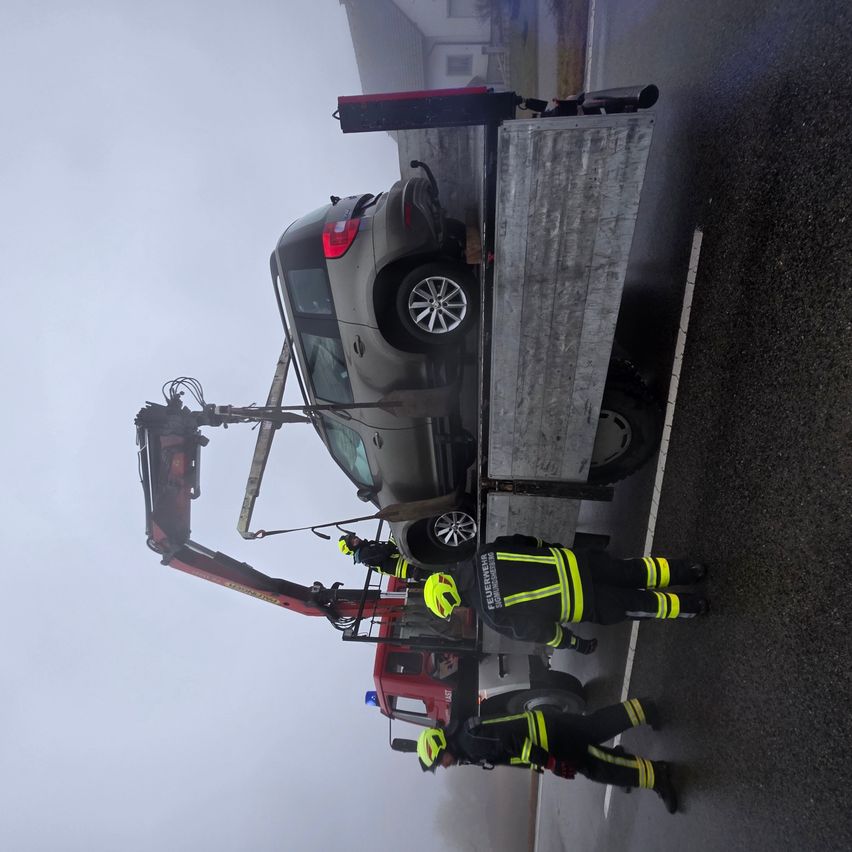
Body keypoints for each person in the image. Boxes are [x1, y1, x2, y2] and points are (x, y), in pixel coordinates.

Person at [422, 533, 708, 650]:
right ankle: (689, 570)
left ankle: (692, 605)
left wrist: (576, 644)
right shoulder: (485, 552)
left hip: (585, 602)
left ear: (453, 602)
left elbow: (539, 631)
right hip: (580, 562)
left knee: (640, 603)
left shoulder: (491, 614)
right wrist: (556, 550)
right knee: (634, 570)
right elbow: (528, 541)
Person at [416, 698, 679, 813]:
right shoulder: (466, 739)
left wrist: (551, 762)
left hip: (551, 741)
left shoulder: (470, 743)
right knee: (595, 728)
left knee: (597, 766)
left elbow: (513, 742)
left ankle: (657, 776)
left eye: (441, 761)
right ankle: (644, 709)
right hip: (548, 730)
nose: (446, 766)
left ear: (441, 747)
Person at [338, 532, 428, 582]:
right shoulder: (364, 555)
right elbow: (385, 551)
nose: (355, 539)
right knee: (435, 571)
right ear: (351, 549)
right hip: (409, 567)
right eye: (352, 542)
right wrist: (395, 534)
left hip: (409, 562)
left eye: (353, 537)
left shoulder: (366, 548)